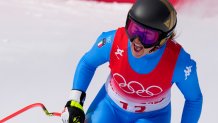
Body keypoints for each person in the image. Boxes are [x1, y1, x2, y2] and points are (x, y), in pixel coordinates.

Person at [61, 0, 203, 123]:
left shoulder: (179, 62)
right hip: (109, 107)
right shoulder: (113, 41)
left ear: (163, 39)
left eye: (147, 36)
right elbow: (87, 64)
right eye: (134, 29)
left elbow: (194, 100)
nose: (137, 41)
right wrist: (74, 101)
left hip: (152, 117)